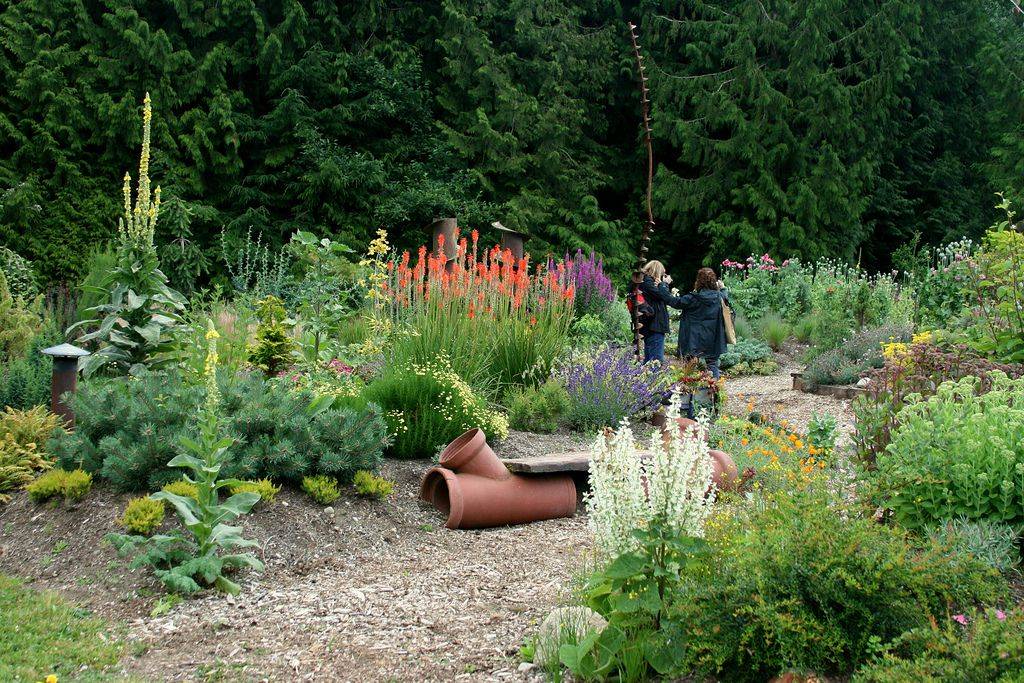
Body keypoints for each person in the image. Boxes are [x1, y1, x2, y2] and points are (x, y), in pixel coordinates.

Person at [677, 267, 731, 379]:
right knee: (712, 364)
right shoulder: (718, 297)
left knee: (690, 364)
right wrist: (723, 288)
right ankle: (715, 388)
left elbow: (675, 302)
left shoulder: (692, 298)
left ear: (698, 281)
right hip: (713, 336)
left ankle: (688, 387)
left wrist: (662, 287)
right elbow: (725, 297)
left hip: (694, 338)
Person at [638, 260, 682, 364]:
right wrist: (665, 284)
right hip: (655, 324)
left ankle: (647, 374)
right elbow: (663, 296)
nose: (663, 276)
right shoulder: (648, 282)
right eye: (663, 273)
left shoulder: (644, 282)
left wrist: (661, 285)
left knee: (649, 360)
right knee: (656, 361)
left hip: (650, 324)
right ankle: (652, 375)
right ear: (657, 271)